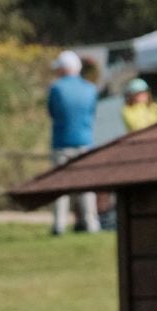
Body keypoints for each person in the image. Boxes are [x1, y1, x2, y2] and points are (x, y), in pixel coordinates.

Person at [46, 49, 99, 235]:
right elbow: (92, 113)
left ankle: (59, 226)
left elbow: (52, 112)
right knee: (86, 187)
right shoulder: (91, 89)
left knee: (60, 187)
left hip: (61, 143)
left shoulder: (56, 88)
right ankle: (91, 224)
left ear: (63, 69)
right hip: (85, 142)